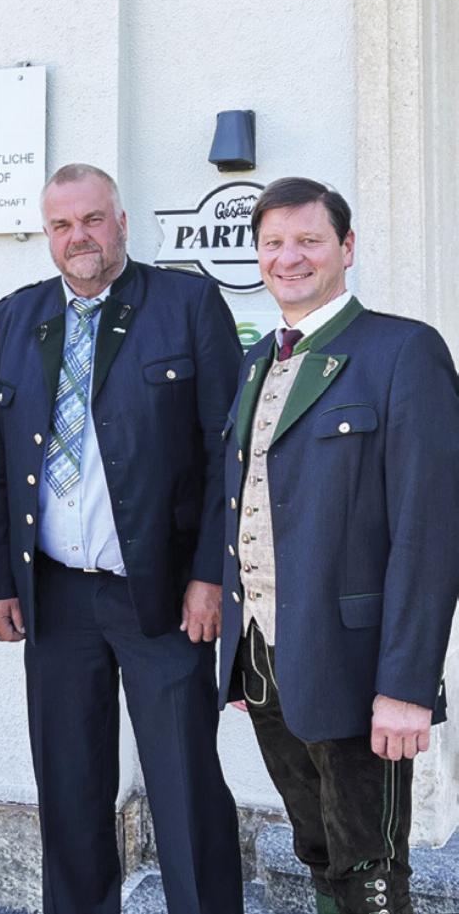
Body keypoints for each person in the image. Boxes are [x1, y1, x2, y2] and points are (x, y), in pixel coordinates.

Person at [0, 163, 244, 914]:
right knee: (69, 785)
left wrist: (211, 575)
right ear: (47, 234)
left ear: (123, 221)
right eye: (61, 224)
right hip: (54, 597)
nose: (78, 237)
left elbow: (230, 451)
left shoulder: (187, 303)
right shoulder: (16, 318)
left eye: (92, 219)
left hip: (160, 592)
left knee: (184, 785)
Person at [218, 176, 459, 914]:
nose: (289, 257)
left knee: (370, 868)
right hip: (266, 656)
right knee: (317, 850)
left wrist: (409, 686)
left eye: (309, 240)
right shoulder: (259, 358)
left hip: (360, 669)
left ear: (346, 248)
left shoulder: (402, 350)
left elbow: (431, 529)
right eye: (273, 244)